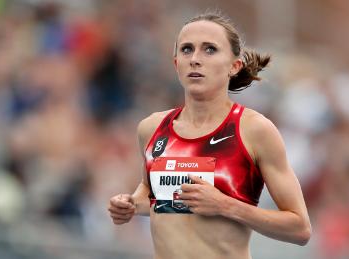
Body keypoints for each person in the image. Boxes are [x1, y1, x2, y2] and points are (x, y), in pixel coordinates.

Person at [108, 12, 311, 259]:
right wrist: (130, 204)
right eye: (186, 49)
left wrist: (226, 205)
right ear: (176, 64)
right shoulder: (151, 128)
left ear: (234, 66)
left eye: (210, 50)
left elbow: (300, 228)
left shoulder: (254, 130)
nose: (195, 59)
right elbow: (153, 195)